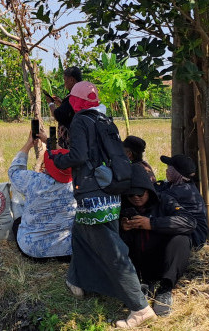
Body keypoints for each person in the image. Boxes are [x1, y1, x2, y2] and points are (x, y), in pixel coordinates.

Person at [49, 81, 156, 329]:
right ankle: (77, 282)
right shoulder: (107, 121)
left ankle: (140, 308)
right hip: (110, 192)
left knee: (111, 250)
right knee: (81, 235)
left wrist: (57, 157)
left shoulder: (80, 121)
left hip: (91, 193)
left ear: (75, 102)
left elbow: (78, 156)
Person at [120, 163, 197, 317]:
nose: (136, 198)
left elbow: (189, 222)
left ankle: (165, 289)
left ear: (149, 191)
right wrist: (120, 226)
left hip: (163, 260)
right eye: (131, 195)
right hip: (138, 264)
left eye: (140, 194)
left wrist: (152, 223)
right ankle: (141, 284)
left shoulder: (164, 200)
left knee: (182, 239)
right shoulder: (121, 205)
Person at [8, 130, 77, 260]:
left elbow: (14, 170)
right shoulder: (79, 184)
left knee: (17, 222)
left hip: (34, 250)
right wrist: (50, 142)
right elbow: (68, 160)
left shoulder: (34, 181)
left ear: (47, 166)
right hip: (67, 250)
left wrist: (29, 144)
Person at [156, 154, 209, 248]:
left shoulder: (181, 191)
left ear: (178, 172)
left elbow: (157, 197)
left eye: (170, 168)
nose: (167, 170)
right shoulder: (180, 184)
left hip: (194, 236)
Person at [46, 66, 82, 148]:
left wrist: (50, 103)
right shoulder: (81, 95)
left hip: (69, 140)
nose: (64, 82)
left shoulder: (72, 97)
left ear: (71, 80)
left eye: (65, 79)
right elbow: (71, 110)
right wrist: (62, 104)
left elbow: (58, 115)